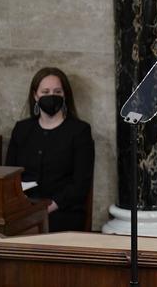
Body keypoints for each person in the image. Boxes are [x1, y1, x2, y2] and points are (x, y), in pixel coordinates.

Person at [6, 67, 94, 232]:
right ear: (35, 95)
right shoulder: (22, 129)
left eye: (57, 91)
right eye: (45, 91)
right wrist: (24, 207)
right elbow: (10, 174)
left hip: (63, 212)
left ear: (65, 95)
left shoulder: (80, 131)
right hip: (23, 210)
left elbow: (80, 184)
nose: (51, 96)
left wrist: (46, 209)